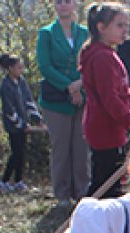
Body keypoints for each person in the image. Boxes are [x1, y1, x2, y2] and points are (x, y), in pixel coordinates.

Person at [79, 3, 130, 199]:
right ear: (101, 27)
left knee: (110, 179)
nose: (125, 31)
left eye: (126, 26)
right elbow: (110, 98)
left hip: (110, 126)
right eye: (119, 25)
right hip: (104, 128)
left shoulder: (108, 54)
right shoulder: (102, 58)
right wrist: (129, 120)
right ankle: (88, 214)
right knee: (105, 182)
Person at [36, 0, 90, 207]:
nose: (63, 6)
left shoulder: (84, 32)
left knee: (81, 147)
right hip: (56, 99)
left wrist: (80, 86)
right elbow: (45, 66)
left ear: (74, 5)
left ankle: (82, 191)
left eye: (67, 2)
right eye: (59, 2)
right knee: (61, 147)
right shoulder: (47, 33)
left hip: (83, 96)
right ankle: (62, 194)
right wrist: (69, 87)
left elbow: (90, 62)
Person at [0, 53, 43, 194]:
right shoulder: (5, 85)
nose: (21, 70)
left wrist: (36, 118)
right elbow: (9, 110)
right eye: (18, 67)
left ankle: (18, 181)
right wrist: (21, 124)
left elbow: (28, 101)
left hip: (23, 123)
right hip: (13, 125)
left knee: (21, 153)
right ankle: (4, 181)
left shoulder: (21, 81)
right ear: (10, 68)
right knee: (16, 153)